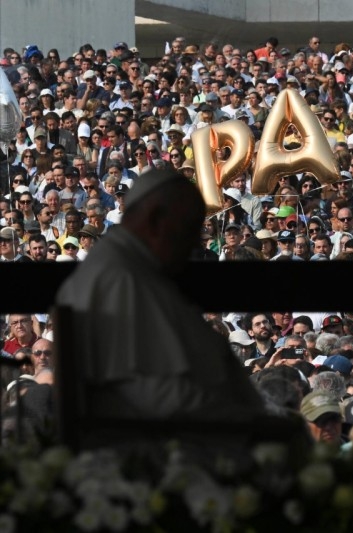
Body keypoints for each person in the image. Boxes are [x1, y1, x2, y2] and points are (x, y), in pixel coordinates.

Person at [55, 169, 267, 423]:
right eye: (187, 231)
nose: (192, 246)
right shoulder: (115, 276)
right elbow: (145, 390)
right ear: (156, 220)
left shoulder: (145, 266)